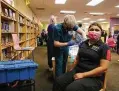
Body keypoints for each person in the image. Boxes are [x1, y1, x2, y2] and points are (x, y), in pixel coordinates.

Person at [53, 22, 111, 91]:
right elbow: (77, 59)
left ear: (101, 32)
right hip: (77, 71)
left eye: (97, 30)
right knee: (58, 81)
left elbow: (104, 68)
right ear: (88, 31)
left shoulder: (104, 47)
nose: (94, 31)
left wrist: (83, 75)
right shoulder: (83, 43)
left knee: (71, 89)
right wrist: (71, 70)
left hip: (93, 77)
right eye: (91, 29)